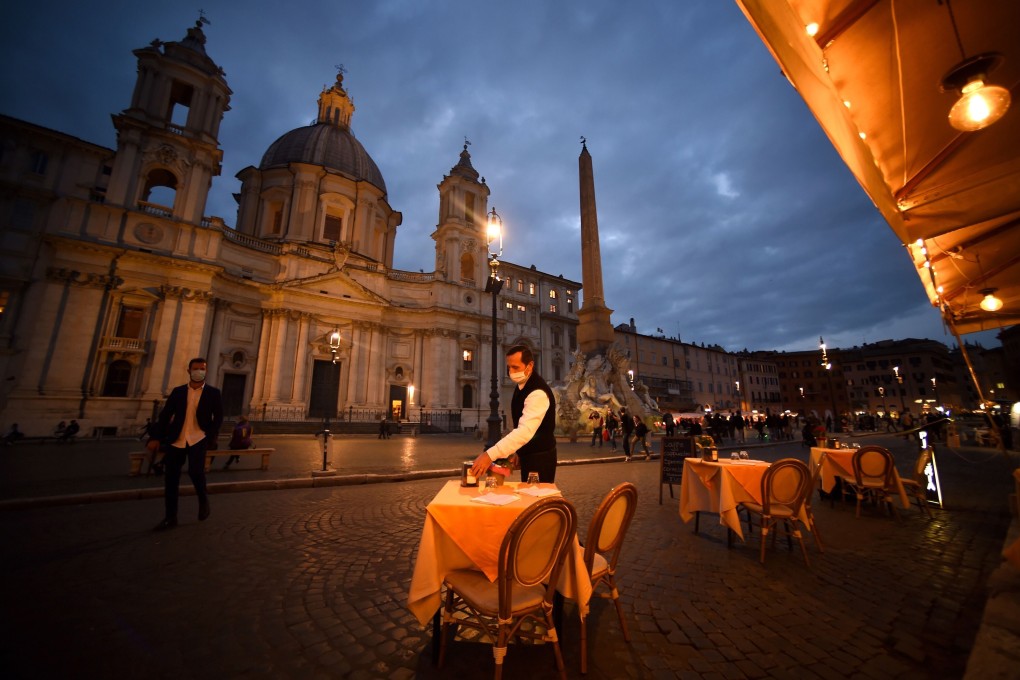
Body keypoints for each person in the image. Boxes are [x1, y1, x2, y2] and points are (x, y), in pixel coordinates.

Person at [146, 357, 223, 531]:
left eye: (202, 369)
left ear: (206, 371)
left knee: (196, 472)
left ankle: (203, 499)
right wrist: (155, 437)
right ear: (189, 371)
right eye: (196, 368)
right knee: (171, 479)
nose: (199, 371)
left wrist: (210, 435)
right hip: (177, 439)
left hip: (198, 438)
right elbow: (165, 416)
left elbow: (218, 417)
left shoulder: (213, 393)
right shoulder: (178, 392)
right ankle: (170, 517)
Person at [470, 345, 557, 483]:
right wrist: (519, 451)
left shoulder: (537, 392)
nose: (511, 372)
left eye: (515, 367)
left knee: (537, 500)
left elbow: (524, 431)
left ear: (530, 365)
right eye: (508, 367)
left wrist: (489, 455)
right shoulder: (522, 385)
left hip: (541, 459)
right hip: (529, 456)